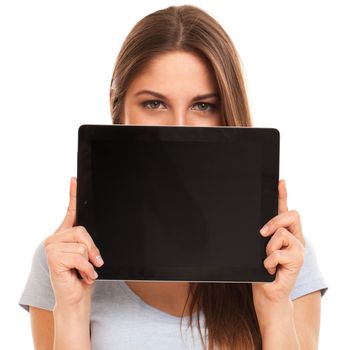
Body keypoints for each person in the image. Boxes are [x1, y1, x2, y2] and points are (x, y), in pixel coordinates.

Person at [19, 5, 328, 350]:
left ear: (228, 113)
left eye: (203, 106)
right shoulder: (64, 261)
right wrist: (72, 309)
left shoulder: (284, 257)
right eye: (154, 104)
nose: (178, 127)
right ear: (118, 111)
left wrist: (273, 307)